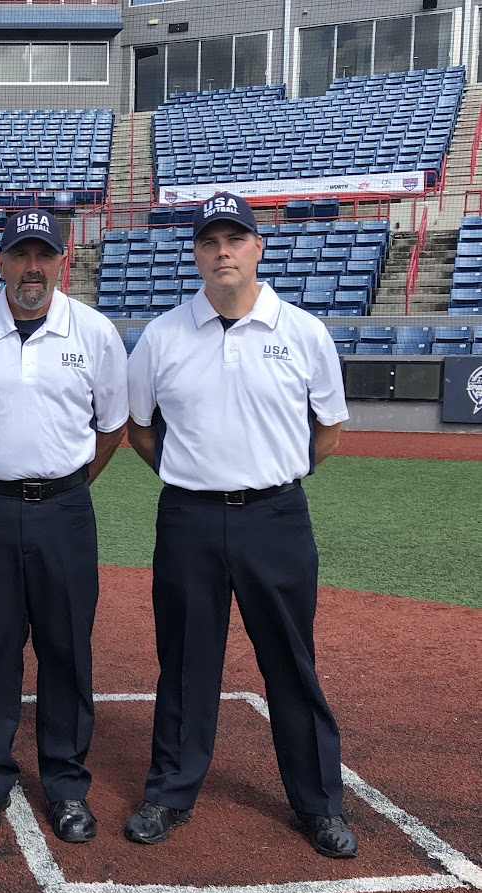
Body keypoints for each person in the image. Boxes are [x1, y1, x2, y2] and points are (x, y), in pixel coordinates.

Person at [124, 191, 357, 859]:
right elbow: (140, 430)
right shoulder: (163, 336)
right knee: (185, 662)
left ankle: (318, 803)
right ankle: (170, 792)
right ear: (196, 253)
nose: (222, 251)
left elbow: (328, 430)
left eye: (234, 239)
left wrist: (272, 474)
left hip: (275, 517)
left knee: (290, 662)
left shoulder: (303, 331)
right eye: (209, 241)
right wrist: (193, 474)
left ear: (258, 246)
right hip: (190, 518)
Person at [0, 209, 127, 842]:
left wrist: (68, 484)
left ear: (63, 261)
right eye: (20, 255)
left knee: (67, 650)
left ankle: (66, 785)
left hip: (65, 512)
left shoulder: (94, 333)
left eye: (43, 255)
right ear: (0, 262)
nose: (31, 268)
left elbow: (112, 425)